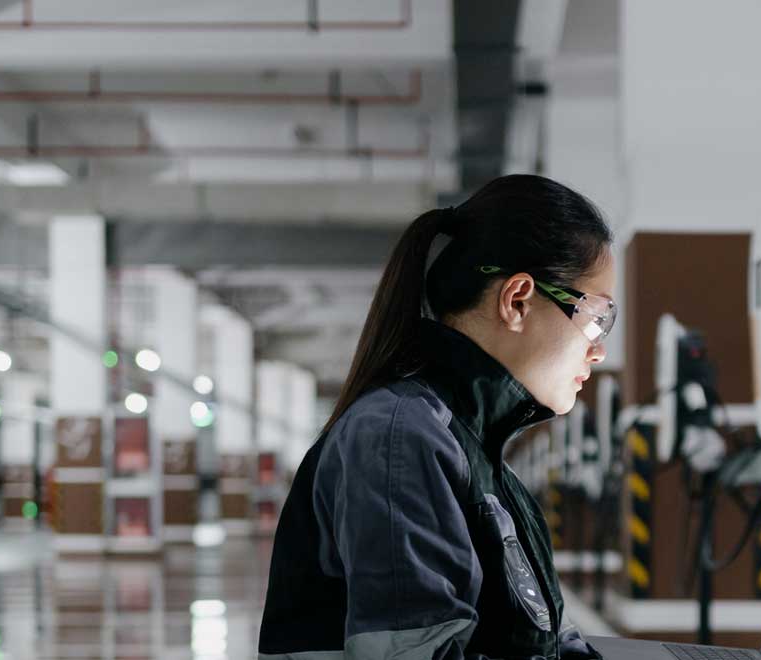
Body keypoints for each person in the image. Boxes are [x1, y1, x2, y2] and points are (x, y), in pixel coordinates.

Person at [260, 174, 616, 660]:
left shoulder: (480, 457)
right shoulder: (399, 436)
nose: (597, 351)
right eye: (597, 318)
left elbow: (548, 643)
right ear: (516, 300)